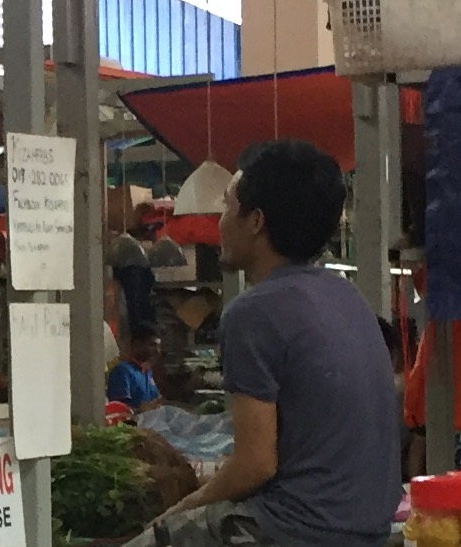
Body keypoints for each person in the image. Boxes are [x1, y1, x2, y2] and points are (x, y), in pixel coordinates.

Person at [164, 141, 401, 547]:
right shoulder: (347, 297)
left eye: (226, 207)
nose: (219, 222)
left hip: (300, 531)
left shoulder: (253, 313)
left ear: (255, 221)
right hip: (371, 529)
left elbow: (255, 465)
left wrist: (180, 510)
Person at [108, 329, 164, 411]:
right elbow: (117, 410)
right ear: (136, 344)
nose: (157, 351)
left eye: (159, 347)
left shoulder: (147, 372)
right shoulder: (122, 371)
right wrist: (140, 409)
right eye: (152, 345)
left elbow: (155, 401)